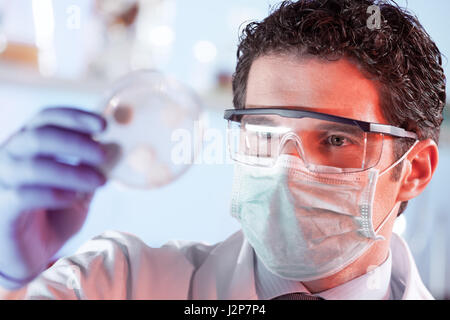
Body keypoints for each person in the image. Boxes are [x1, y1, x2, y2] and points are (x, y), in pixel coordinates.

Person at [0, 0, 446, 300]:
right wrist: (11, 275)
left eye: (335, 139)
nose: (285, 170)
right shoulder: (121, 281)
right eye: (266, 133)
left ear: (416, 169)